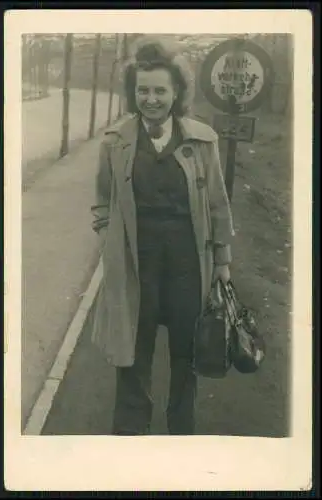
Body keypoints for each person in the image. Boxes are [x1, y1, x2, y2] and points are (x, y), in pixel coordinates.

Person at [90, 36, 235, 435]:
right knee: (133, 353)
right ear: (133, 92)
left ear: (176, 94)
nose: (151, 98)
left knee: (186, 354)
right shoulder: (115, 142)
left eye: (159, 90)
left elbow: (218, 205)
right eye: (143, 90)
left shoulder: (202, 140)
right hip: (137, 264)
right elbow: (102, 201)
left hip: (188, 264)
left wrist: (222, 262)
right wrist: (108, 241)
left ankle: (180, 433)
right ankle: (131, 435)